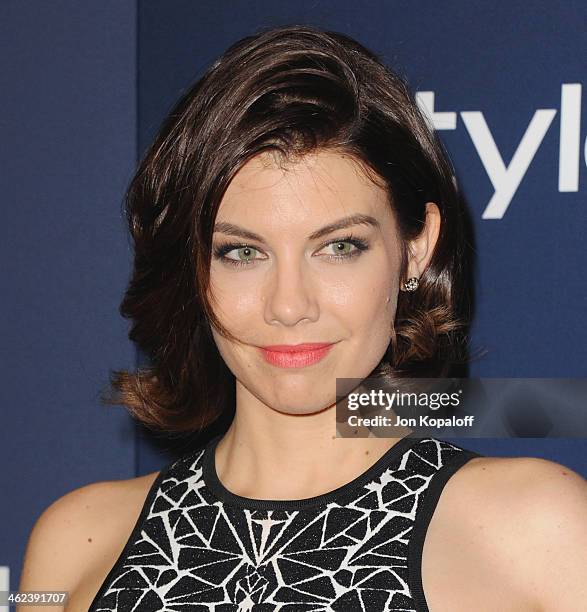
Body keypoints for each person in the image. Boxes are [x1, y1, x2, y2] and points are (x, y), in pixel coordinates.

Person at [18, 25, 587, 612]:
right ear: (192, 268)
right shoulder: (68, 547)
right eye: (241, 252)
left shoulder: (543, 532)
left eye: (338, 247)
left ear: (415, 248)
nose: (289, 305)